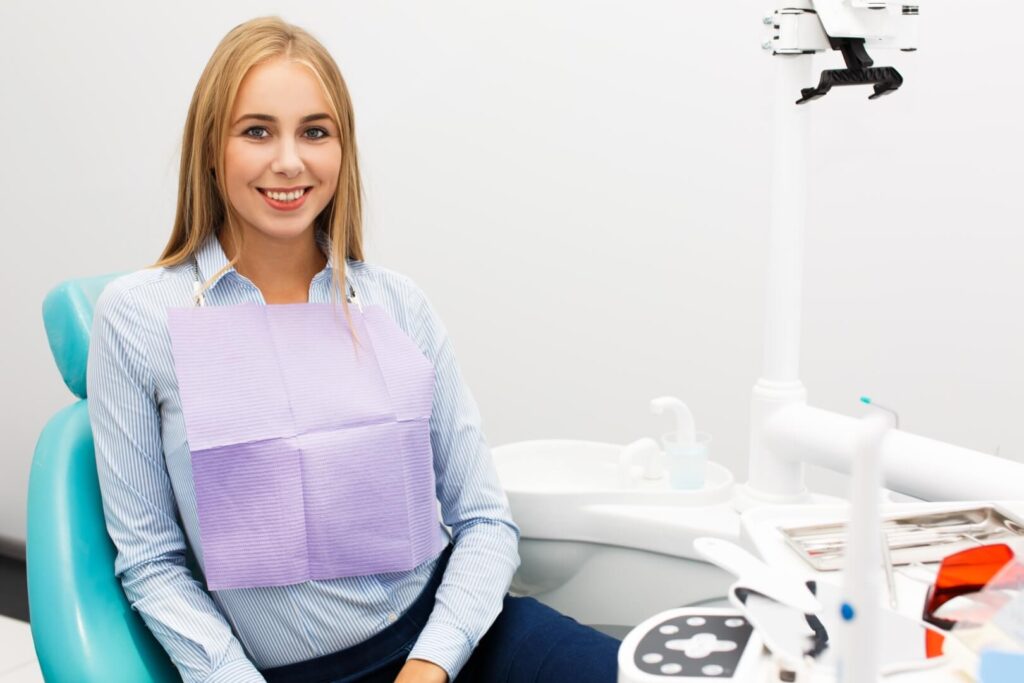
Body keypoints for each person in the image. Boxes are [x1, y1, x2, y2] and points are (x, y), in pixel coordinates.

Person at [87, 15, 619, 683]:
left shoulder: (397, 305)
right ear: (211, 148)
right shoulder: (138, 319)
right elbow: (152, 560)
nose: (290, 160)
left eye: (315, 131)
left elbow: (484, 518)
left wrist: (432, 662)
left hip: (454, 640)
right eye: (257, 131)